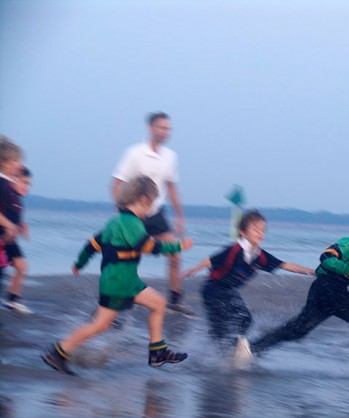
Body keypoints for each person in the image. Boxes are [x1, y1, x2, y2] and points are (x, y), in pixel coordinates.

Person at [42, 176, 193, 376]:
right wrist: (177, 246)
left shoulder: (114, 222)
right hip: (118, 282)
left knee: (158, 304)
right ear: (143, 199)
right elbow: (146, 246)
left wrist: (79, 263)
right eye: (151, 204)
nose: (150, 211)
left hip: (127, 280)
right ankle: (58, 352)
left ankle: (158, 351)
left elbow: (92, 244)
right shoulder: (131, 222)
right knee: (100, 325)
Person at [251, 211, 349, 376]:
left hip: (328, 290)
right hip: (327, 286)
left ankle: (253, 348)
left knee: (299, 329)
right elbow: (326, 257)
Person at [183, 209, 314, 349]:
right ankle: (220, 350)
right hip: (213, 290)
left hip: (230, 291)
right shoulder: (234, 250)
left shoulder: (261, 256)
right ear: (242, 231)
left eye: (263, 230)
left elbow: (285, 265)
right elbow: (211, 259)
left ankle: (234, 345)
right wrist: (196, 268)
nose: (260, 233)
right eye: (255, 229)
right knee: (221, 325)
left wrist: (312, 271)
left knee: (246, 320)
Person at [111, 111, 193, 316]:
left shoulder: (170, 156)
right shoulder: (135, 153)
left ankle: (175, 299)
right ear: (151, 129)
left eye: (168, 129)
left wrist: (179, 216)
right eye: (162, 128)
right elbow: (116, 184)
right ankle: (111, 307)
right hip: (134, 214)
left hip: (156, 214)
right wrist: (122, 211)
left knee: (174, 253)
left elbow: (171, 187)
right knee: (124, 261)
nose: (166, 132)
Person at [1, 166, 33, 313]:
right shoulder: (6, 193)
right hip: (3, 238)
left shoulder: (18, 201)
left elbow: (15, 216)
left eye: (29, 184)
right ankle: (12, 300)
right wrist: (9, 227)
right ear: (14, 180)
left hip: (10, 241)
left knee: (22, 266)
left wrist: (21, 224)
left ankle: (13, 300)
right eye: (24, 182)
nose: (27, 187)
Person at [0, 136, 25, 313]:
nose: (19, 165)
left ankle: (12, 301)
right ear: (4, 163)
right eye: (16, 161)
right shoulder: (2, 184)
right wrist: (9, 225)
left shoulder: (8, 184)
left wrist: (17, 223)